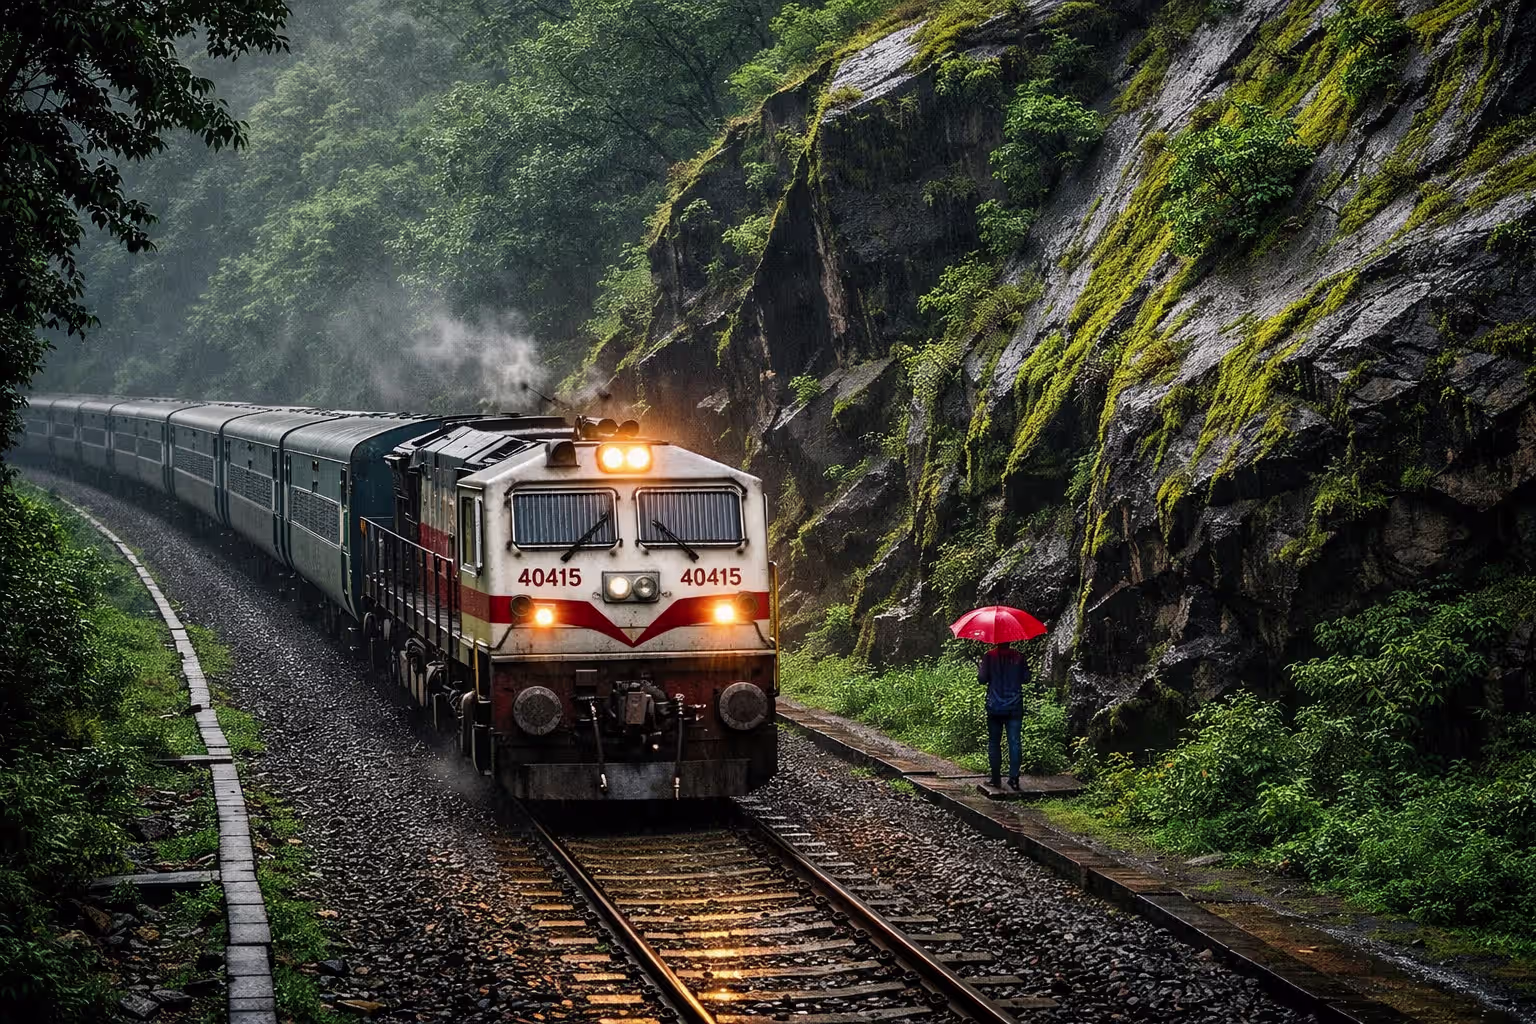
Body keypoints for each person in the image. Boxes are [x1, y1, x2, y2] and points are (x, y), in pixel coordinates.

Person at [978, 642, 1030, 789]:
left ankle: (996, 779)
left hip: (994, 706)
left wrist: (983, 669)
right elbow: (1026, 679)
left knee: (994, 742)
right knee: (1015, 742)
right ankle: (1014, 779)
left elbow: (982, 679)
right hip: (1014, 706)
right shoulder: (1019, 656)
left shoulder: (989, 656)